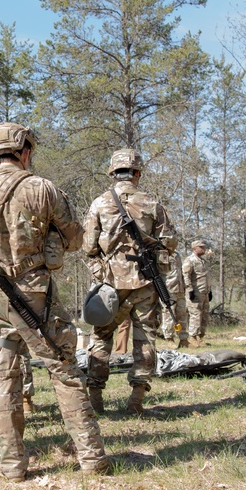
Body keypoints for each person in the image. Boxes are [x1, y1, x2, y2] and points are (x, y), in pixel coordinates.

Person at [0, 122, 108, 482]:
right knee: (64, 370)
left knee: (3, 375)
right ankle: (92, 458)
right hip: (35, 293)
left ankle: (12, 466)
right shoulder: (41, 187)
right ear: (24, 151)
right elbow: (76, 240)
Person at [82, 148, 177, 415]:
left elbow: (88, 243)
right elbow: (170, 242)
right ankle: (135, 402)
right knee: (145, 338)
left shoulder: (99, 203)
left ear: (113, 173)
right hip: (146, 282)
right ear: (137, 173)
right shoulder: (152, 204)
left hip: (110, 283)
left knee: (101, 338)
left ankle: (96, 401)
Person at [183, 240, 211, 346]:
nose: (203, 249)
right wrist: (190, 290)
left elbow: (206, 276)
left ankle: (200, 337)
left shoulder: (203, 261)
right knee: (195, 314)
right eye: (201, 247)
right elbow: (186, 276)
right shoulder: (190, 260)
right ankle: (192, 337)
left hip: (204, 292)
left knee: (204, 315)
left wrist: (210, 290)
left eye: (204, 247)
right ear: (194, 248)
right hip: (195, 292)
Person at [160, 249, 189, 348]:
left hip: (180, 288)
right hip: (168, 289)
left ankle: (183, 339)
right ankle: (169, 338)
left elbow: (180, 272)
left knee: (182, 313)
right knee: (169, 314)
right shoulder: (161, 254)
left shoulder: (176, 255)